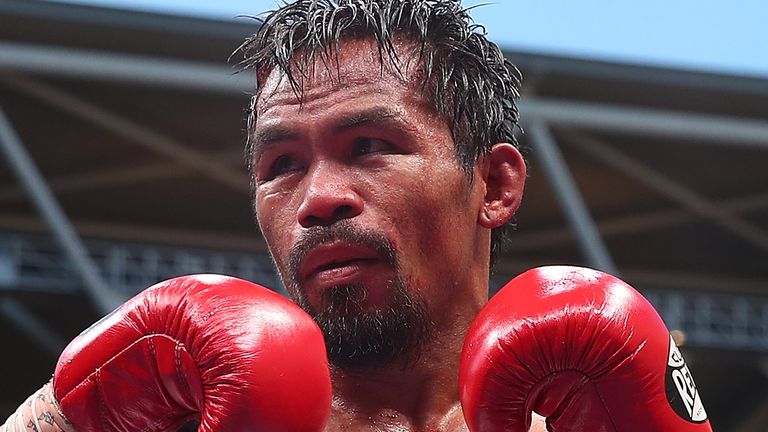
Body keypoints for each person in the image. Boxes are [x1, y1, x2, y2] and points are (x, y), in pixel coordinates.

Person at [2, 1, 711, 431]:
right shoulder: (181, 415)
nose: (316, 199)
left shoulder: (597, 412)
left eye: (368, 146)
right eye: (281, 165)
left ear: (494, 183)